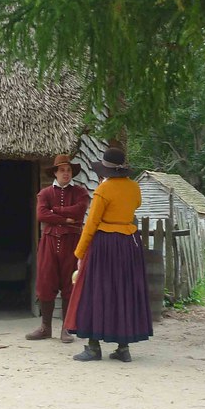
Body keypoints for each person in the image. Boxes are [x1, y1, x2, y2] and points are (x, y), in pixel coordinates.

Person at [65, 146, 152, 362]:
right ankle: (124, 348)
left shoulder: (104, 190)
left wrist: (80, 251)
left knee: (95, 291)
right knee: (124, 291)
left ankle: (93, 348)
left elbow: (92, 222)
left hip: (105, 245)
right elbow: (136, 205)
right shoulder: (134, 188)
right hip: (129, 244)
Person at [27, 154, 91, 342]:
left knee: (69, 283)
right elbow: (41, 214)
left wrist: (55, 211)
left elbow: (79, 211)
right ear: (55, 172)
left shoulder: (80, 192)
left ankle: (66, 328)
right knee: (46, 282)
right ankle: (45, 327)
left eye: (68, 170)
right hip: (49, 242)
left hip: (72, 242)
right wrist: (65, 218)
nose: (66, 173)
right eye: (62, 170)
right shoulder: (45, 193)